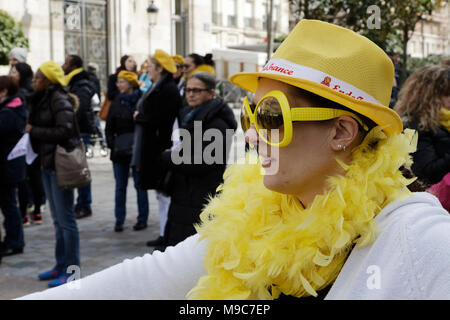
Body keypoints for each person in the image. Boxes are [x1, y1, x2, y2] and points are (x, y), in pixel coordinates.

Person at [18, 20, 450, 300]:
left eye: (269, 116)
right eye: (250, 111)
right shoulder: (260, 215)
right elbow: (147, 280)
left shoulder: (421, 241)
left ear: (341, 131)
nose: (249, 132)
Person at [159, 72, 237, 248]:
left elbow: (204, 163)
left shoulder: (218, 123)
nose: (191, 94)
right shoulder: (191, 115)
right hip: (184, 193)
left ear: (211, 92)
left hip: (201, 195)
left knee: (192, 250)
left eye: (196, 90)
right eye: (187, 90)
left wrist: (169, 158)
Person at [26, 61, 81, 288]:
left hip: (60, 166)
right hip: (48, 164)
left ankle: (73, 271)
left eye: (38, 77)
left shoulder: (58, 99)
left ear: (47, 80)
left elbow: (66, 131)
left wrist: (34, 131)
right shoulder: (44, 99)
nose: (34, 81)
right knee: (58, 221)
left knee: (67, 221)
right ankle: (60, 265)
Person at [131, 49, 183, 248]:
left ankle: (167, 235)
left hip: (162, 148)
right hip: (154, 148)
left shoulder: (167, 89)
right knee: (160, 194)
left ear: (160, 69)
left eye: (151, 67)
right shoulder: (158, 86)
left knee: (165, 194)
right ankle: (163, 233)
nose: (148, 70)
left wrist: (139, 117)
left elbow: (160, 118)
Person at [105, 71, 148, 232]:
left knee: (140, 185)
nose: (118, 85)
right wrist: (112, 144)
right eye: (118, 82)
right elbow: (109, 126)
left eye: (122, 82)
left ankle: (142, 218)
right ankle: (119, 219)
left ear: (130, 83)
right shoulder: (116, 101)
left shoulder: (141, 100)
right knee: (120, 186)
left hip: (137, 150)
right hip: (119, 151)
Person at [394, 66, 450, 188]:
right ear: (429, 96)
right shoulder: (416, 126)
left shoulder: (443, 120)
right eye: (447, 94)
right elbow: (427, 173)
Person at [10, 62, 46, 226]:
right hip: (35, 137)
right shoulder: (34, 92)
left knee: (24, 178)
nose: (12, 74)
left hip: (24, 138)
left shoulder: (20, 94)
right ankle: (37, 210)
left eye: (14, 71)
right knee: (35, 176)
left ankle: (24, 213)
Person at [62, 55, 97, 219]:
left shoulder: (80, 83)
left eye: (66, 63)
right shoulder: (71, 81)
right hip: (76, 130)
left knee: (80, 167)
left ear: (73, 65)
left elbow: (79, 109)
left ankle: (85, 204)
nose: (63, 65)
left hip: (80, 130)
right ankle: (81, 203)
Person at [0, 76, 26, 257]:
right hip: (9, 165)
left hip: (6, 167)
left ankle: (15, 241)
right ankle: (13, 240)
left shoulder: (8, 112)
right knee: (9, 204)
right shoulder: (11, 108)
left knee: (9, 205)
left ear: (4, 91)